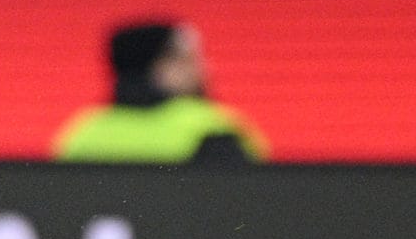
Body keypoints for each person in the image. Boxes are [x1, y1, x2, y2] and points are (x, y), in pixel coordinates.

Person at [54, 21, 267, 163]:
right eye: (189, 60)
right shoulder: (211, 129)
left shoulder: (83, 133)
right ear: (161, 68)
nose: (205, 69)